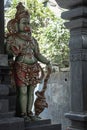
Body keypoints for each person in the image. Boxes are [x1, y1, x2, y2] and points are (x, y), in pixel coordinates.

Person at [6, 2, 51, 121]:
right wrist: (13, 52)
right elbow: (7, 54)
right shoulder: (13, 38)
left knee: (32, 91)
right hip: (21, 66)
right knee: (23, 91)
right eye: (24, 23)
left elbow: (37, 54)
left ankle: (30, 113)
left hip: (34, 67)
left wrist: (47, 62)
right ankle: (23, 114)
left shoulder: (32, 40)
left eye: (28, 23)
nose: (27, 25)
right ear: (16, 24)